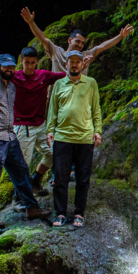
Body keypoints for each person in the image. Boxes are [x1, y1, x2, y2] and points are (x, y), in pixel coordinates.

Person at [0, 47, 66, 206]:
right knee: (22, 166)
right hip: (22, 127)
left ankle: (36, 182)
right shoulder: (14, 77)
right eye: (26, 63)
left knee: (53, 154)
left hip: (40, 125)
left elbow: (66, 75)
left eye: (32, 63)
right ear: (21, 63)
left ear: (36, 62)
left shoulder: (43, 75)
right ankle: (18, 199)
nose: (30, 66)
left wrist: (84, 62)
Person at [0, 54, 49, 229]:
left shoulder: (13, 86)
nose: (9, 70)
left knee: (21, 171)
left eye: (12, 67)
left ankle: (31, 207)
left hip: (10, 135)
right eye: (6, 67)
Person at [46, 49, 102, 228]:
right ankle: (60, 213)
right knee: (60, 178)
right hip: (62, 138)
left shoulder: (91, 83)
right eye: (72, 61)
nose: (75, 64)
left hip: (85, 138)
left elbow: (96, 109)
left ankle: (79, 213)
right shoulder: (58, 85)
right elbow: (52, 110)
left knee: (83, 179)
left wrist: (98, 130)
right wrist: (50, 130)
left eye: (78, 61)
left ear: (82, 64)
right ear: (66, 64)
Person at [20, 7, 134, 74]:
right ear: (69, 40)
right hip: (58, 98)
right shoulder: (57, 52)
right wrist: (31, 22)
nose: (80, 45)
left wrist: (120, 36)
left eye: (82, 43)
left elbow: (102, 46)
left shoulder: (85, 55)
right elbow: (42, 38)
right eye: (78, 41)